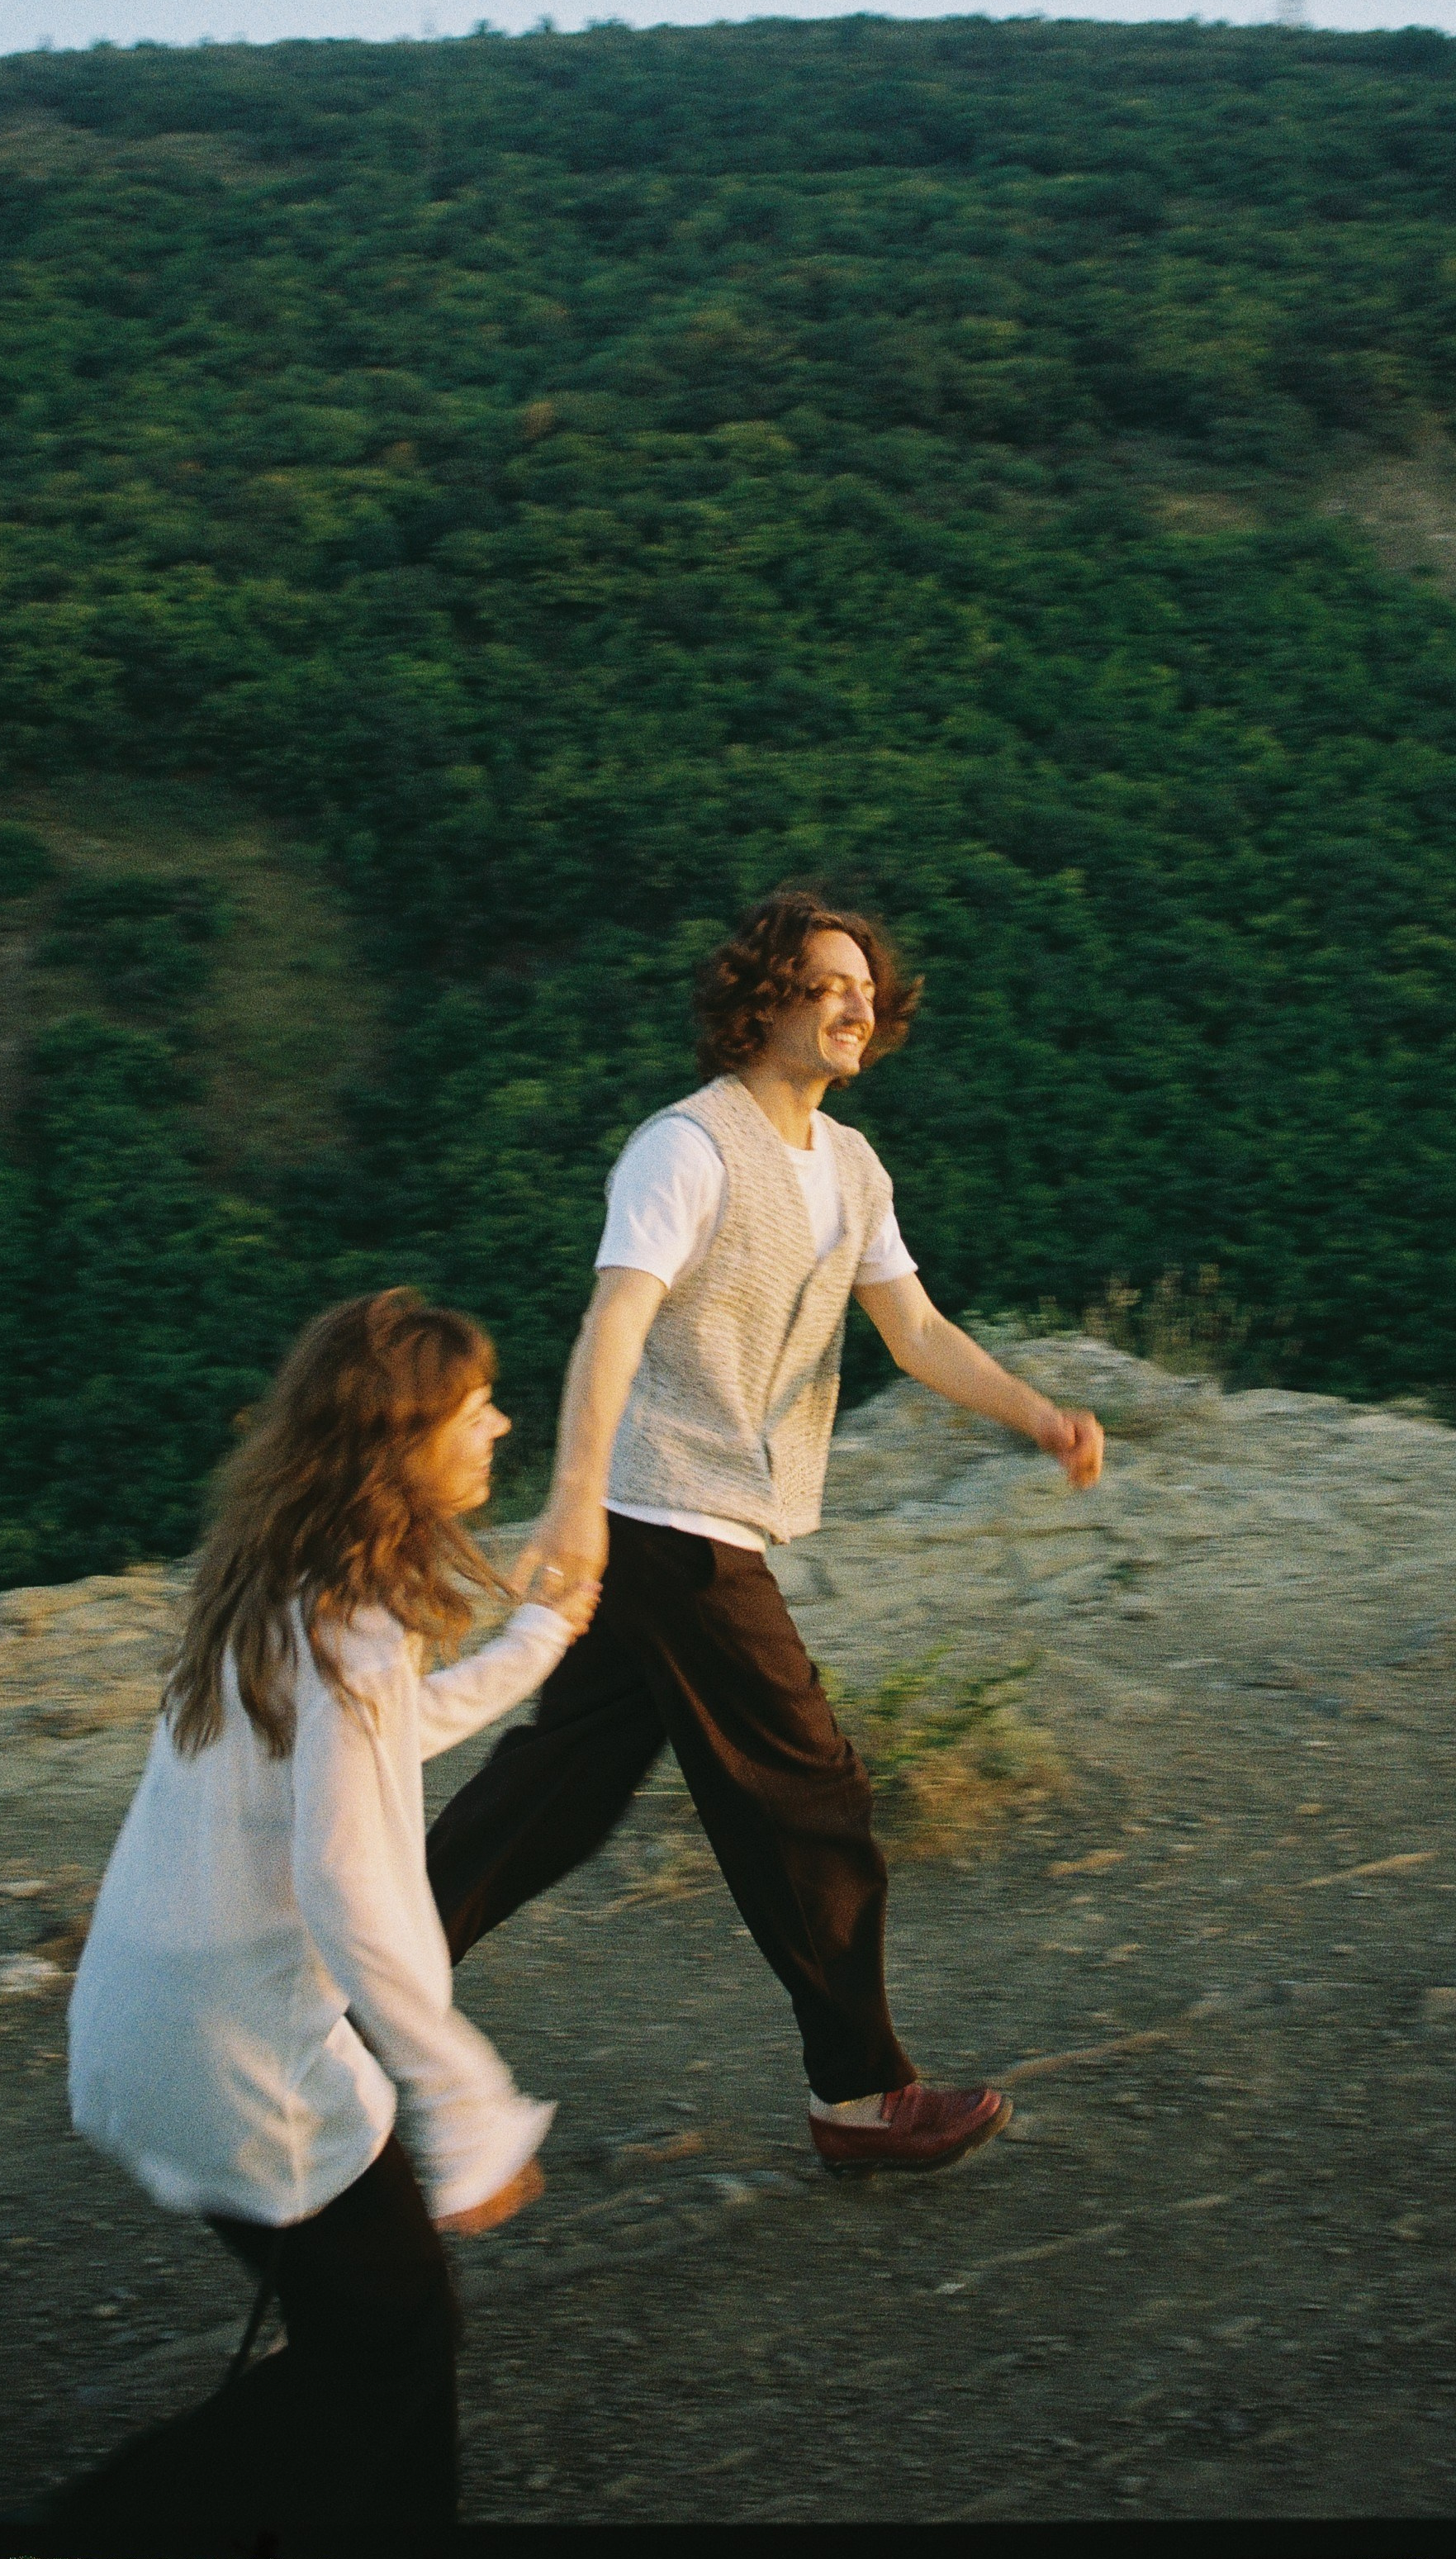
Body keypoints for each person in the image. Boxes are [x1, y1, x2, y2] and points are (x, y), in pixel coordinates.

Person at [425, 889, 1104, 2181]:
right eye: (826, 981)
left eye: (866, 986)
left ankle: (349, 1980)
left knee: (552, 1792)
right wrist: (572, 1499)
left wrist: (1038, 1415)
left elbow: (912, 1331)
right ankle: (859, 2094)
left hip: (699, 1521)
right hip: (665, 1518)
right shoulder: (684, 1149)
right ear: (761, 997)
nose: (858, 1002)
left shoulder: (848, 1166)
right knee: (811, 1796)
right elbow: (612, 1325)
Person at [52, 1288, 598, 2558]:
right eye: (474, 1410)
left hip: (147, 2018)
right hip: (237, 2055)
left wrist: (540, 1633)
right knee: (389, 2347)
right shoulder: (352, 1617)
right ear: (396, 1444)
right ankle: (81, 2544)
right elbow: (353, 1878)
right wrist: (466, 2098)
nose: (501, 1425)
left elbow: (373, 1746)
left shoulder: (280, 1571)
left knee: (382, 2336)